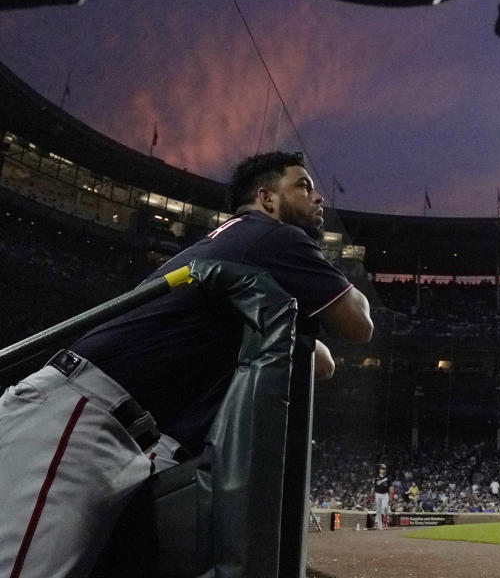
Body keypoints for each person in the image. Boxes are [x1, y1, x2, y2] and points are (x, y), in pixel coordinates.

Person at [0, 151, 373, 578]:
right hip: (80, 417)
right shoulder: (272, 236)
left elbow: (316, 362)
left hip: (115, 431)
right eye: (303, 186)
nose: (318, 197)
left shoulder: (245, 249)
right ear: (267, 199)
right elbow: (358, 323)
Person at [373, 463, 391, 529]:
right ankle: (379, 525)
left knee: (385, 507)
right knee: (378, 510)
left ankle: (385, 523)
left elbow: (390, 486)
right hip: (377, 494)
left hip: (385, 494)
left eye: (384, 469)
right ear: (379, 470)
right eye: (382, 469)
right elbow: (374, 487)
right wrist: (372, 495)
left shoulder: (388, 477)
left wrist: (391, 495)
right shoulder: (376, 477)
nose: (383, 470)